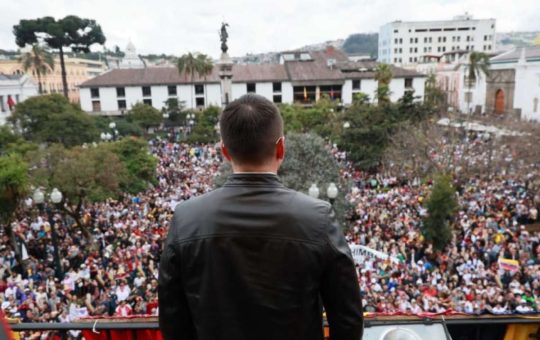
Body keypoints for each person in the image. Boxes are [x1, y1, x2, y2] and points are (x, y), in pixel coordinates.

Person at [159, 94, 363, 340]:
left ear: (225, 150)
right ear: (281, 147)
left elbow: (173, 320)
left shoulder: (186, 217)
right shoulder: (318, 218)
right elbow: (348, 320)